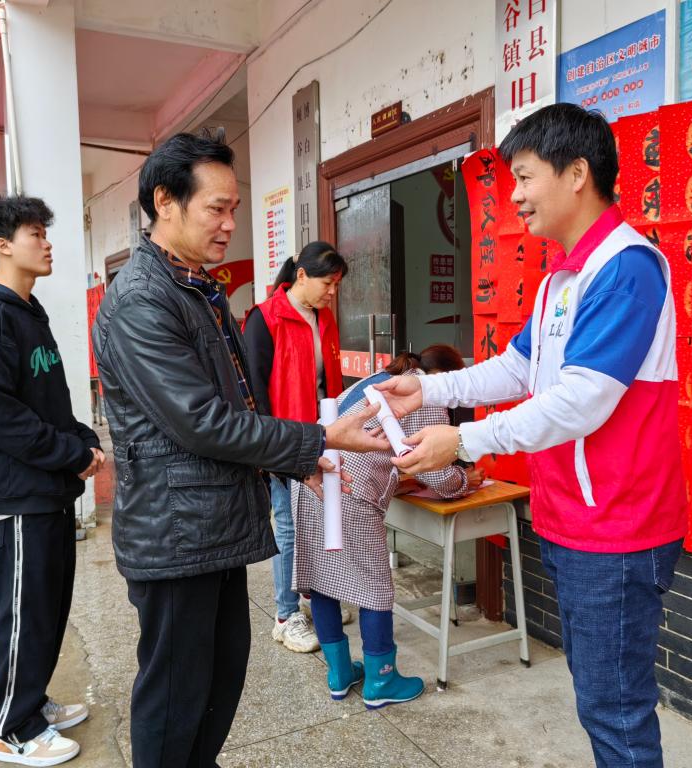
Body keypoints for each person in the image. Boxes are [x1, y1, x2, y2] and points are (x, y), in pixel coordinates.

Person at [377, 104, 687, 767]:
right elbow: (516, 368)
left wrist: (464, 442)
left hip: (618, 526)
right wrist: (427, 390)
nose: (513, 196)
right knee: (600, 700)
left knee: (616, 711)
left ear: (576, 173)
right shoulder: (561, 279)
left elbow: (581, 402)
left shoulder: (626, 267)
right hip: (573, 518)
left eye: (523, 177)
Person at [92, 130, 388, 768]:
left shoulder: (195, 286)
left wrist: (296, 460)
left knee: (218, 679)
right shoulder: (143, 299)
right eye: (217, 208)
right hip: (176, 533)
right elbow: (201, 421)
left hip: (211, 523)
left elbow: (240, 403)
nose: (230, 223)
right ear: (165, 201)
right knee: (176, 698)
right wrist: (317, 438)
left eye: (234, 208)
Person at [0, 196, 106, 766]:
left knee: (45, 608)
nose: (47, 244)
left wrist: (82, 439)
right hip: (18, 492)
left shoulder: (28, 312)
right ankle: (11, 726)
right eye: (35, 234)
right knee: (22, 612)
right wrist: (69, 454)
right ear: (3, 246)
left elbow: (47, 402)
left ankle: (31, 701)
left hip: (46, 488)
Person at [295, 345, 483, 708]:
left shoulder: (381, 379)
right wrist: (465, 479)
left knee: (321, 581)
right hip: (349, 487)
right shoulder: (425, 395)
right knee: (376, 587)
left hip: (309, 476)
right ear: (444, 375)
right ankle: (381, 680)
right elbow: (436, 472)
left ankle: (339, 675)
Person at [243, 242, 351, 654]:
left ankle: (310, 596)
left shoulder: (324, 318)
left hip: (324, 435)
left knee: (320, 520)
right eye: (328, 283)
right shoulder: (264, 318)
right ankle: (286, 615)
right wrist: (269, 449)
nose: (333, 292)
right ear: (301, 275)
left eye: (337, 284)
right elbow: (255, 389)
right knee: (288, 525)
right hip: (284, 440)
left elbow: (330, 382)